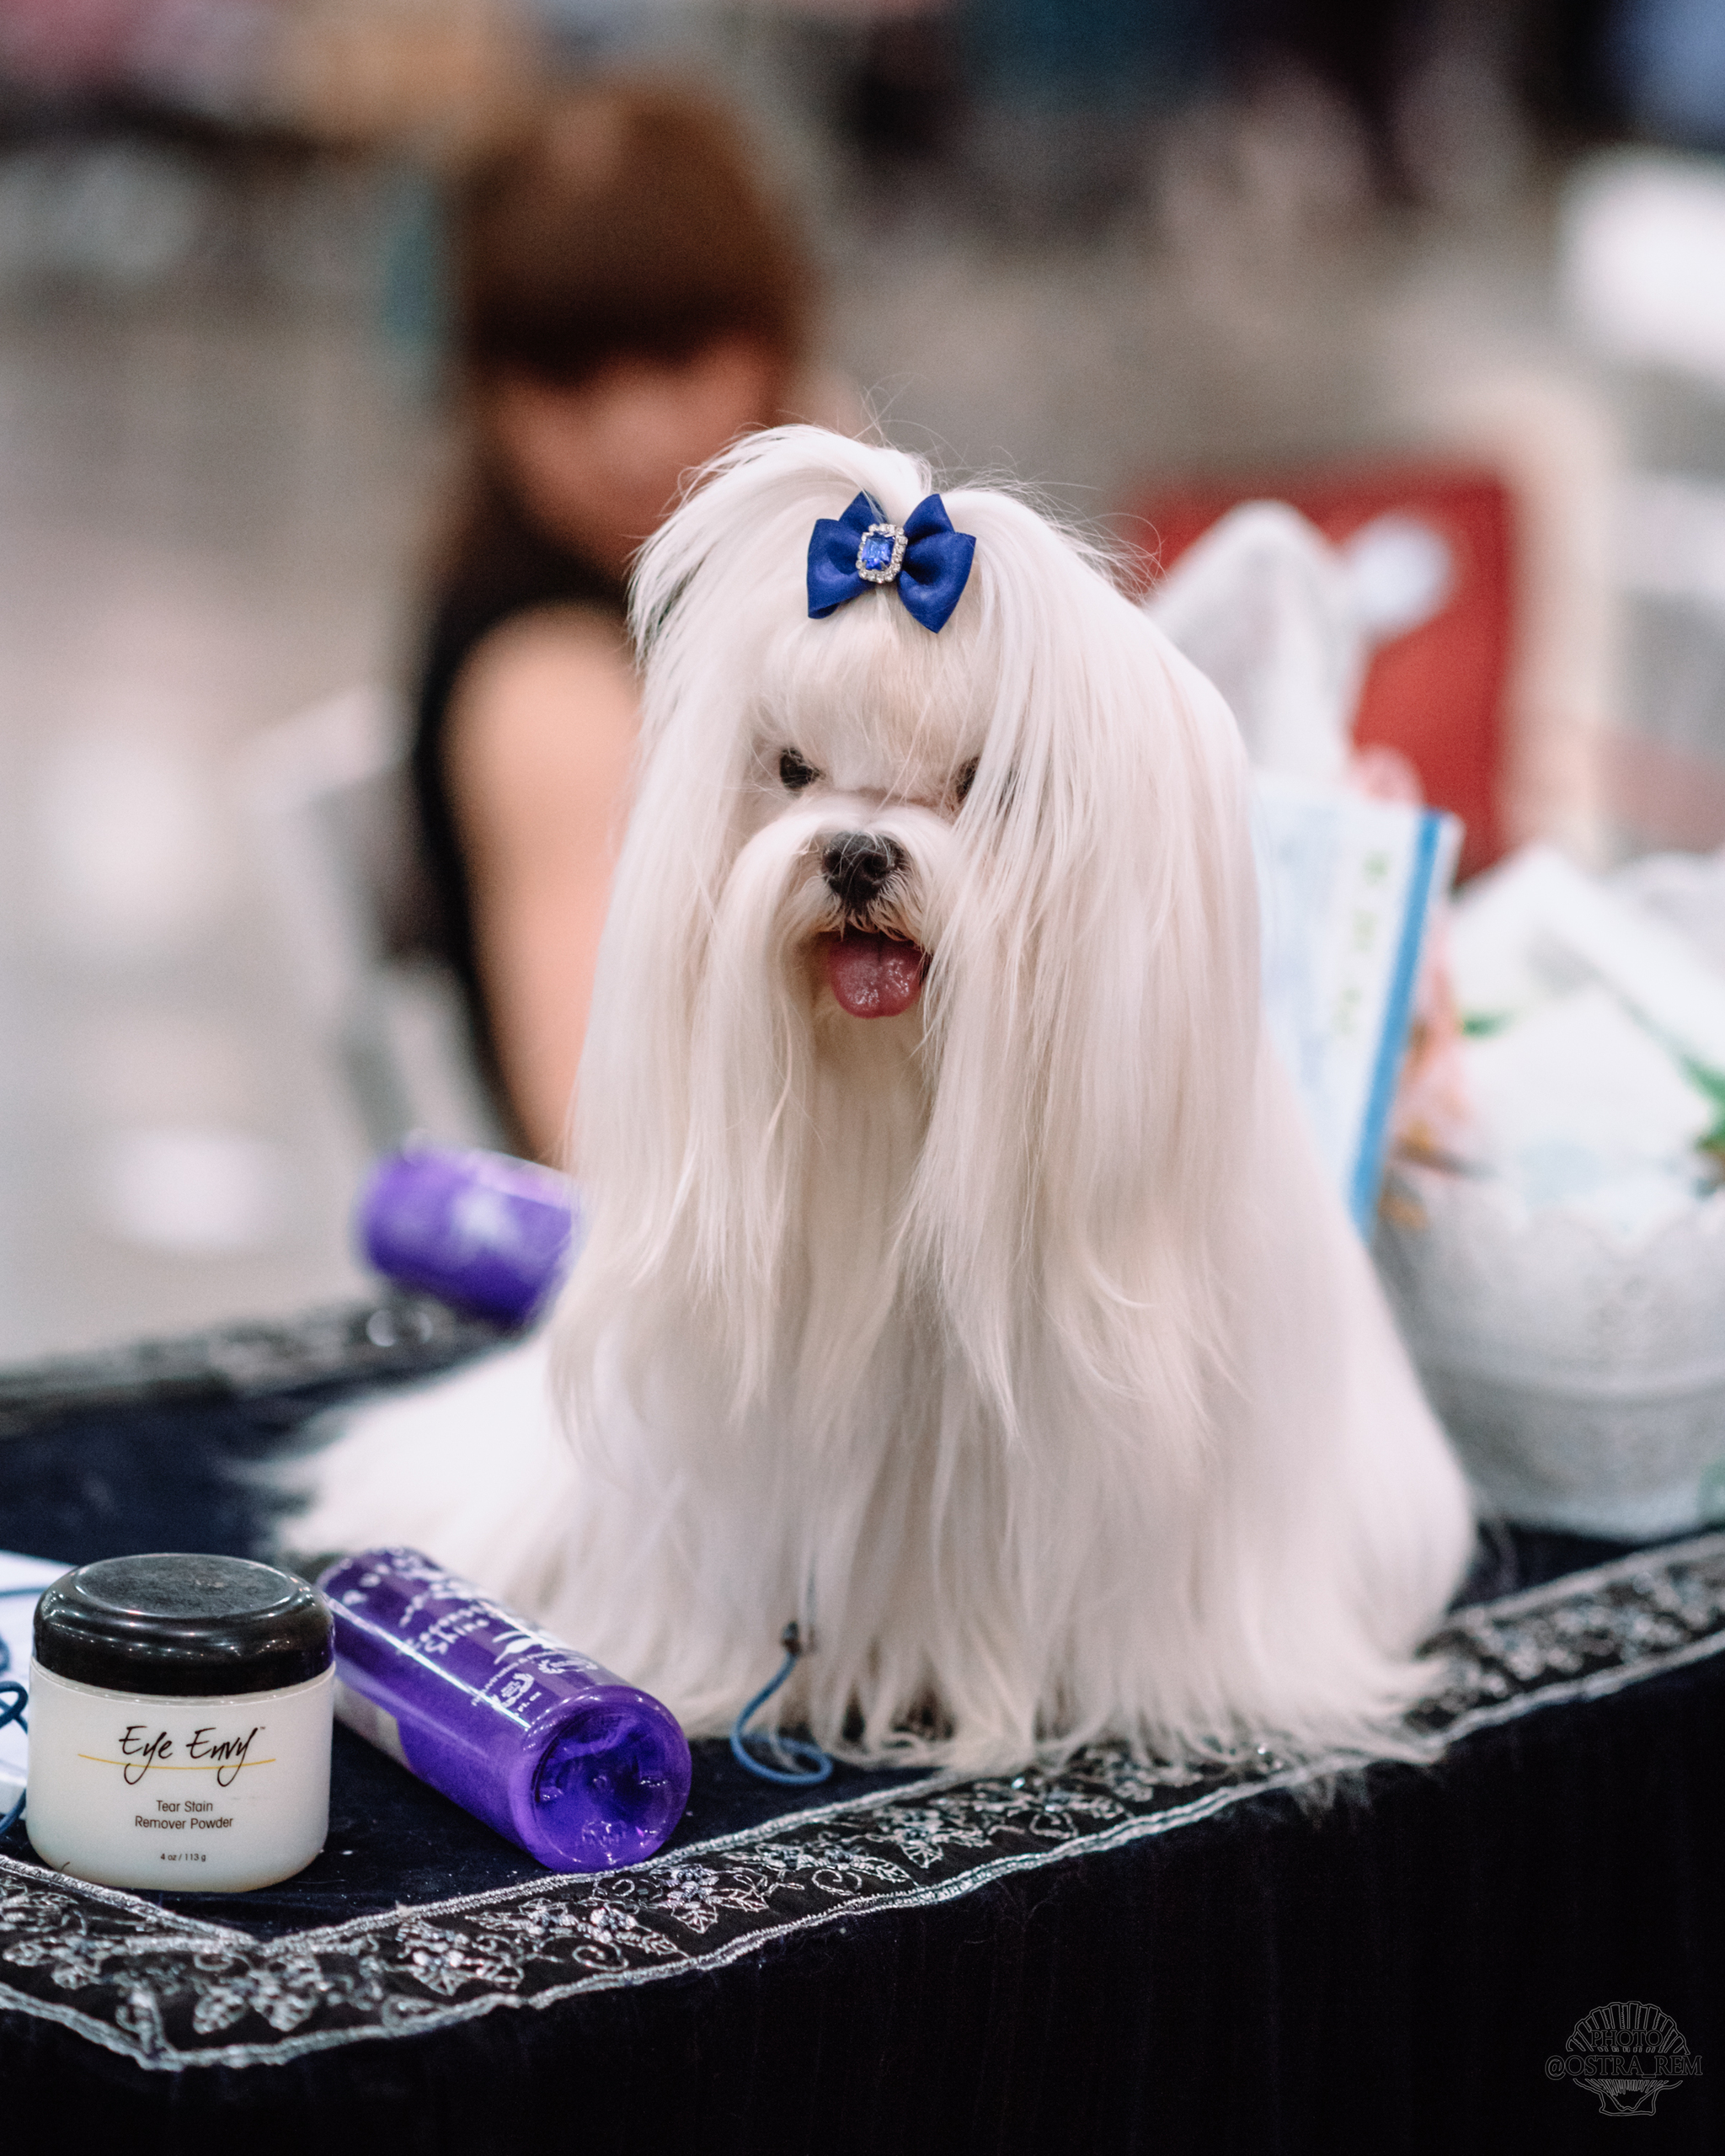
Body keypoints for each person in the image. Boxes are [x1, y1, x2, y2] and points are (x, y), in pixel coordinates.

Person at [412, 83, 820, 1161]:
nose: (633, 436)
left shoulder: (759, 549)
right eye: (567, 380)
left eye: (680, 363)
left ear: (771, 346)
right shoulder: (544, 683)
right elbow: (601, 1135)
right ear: (487, 393)